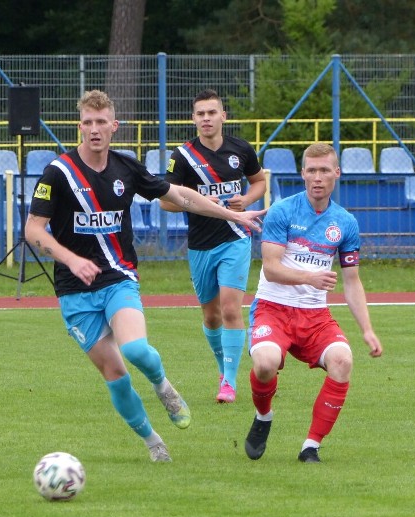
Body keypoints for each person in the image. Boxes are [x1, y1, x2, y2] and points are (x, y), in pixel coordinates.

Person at [25, 90, 265, 462]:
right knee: (115, 372)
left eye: (101, 122)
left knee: (136, 349)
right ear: (79, 127)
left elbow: (182, 197)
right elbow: (34, 230)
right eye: (87, 122)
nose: (94, 129)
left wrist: (236, 215)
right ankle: (153, 441)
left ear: (114, 127)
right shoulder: (59, 173)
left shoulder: (127, 168)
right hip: (74, 292)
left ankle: (163, 386)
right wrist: (70, 259)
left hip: (119, 279)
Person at [243, 142, 383, 464]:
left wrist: (367, 329)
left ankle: (311, 446)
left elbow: (351, 281)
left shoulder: (345, 223)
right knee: (264, 363)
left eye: (324, 170)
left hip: (315, 315)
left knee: (343, 360)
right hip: (273, 308)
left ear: (337, 173)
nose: (317, 177)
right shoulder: (283, 210)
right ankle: (263, 417)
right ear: (302, 173)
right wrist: (310, 277)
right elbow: (271, 267)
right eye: (311, 170)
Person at [162, 89, 267, 404]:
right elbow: (166, 203)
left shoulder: (241, 149)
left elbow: (259, 181)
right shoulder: (182, 156)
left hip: (235, 237)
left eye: (212, 112)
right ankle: (224, 369)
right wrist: (198, 203)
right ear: (193, 119)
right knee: (211, 315)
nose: (206, 118)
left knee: (232, 309)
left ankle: (230, 384)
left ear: (224, 116)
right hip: (200, 245)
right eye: (200, 114)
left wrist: (246, 200)